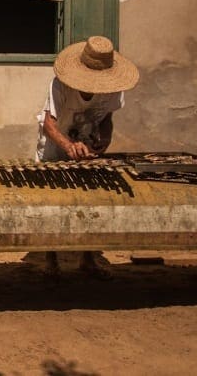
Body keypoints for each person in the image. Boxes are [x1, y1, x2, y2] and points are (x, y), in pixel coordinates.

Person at [36, 35, 139, 278]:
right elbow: (48, 124)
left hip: (89, 150)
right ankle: (51, 258)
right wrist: (68, 145)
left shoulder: (114, 90)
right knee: (55, 204)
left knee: (92, 203)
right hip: (55, 147)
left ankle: (88, 256)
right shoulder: (60, 85)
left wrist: (102, 143)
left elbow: (107, 120)